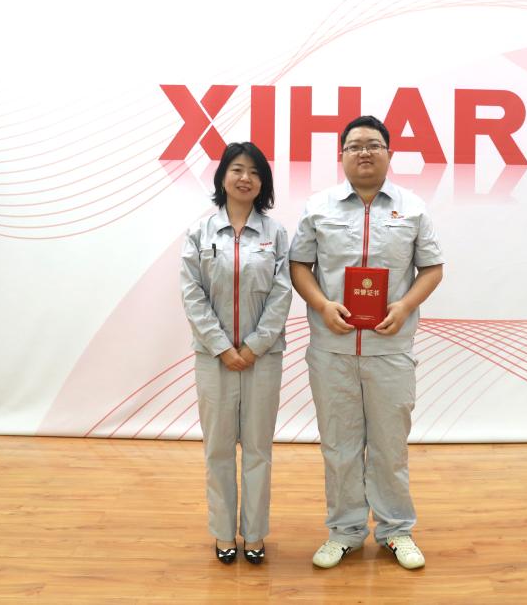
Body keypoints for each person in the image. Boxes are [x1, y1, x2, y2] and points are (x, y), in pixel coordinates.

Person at [289, 115, 445, 570]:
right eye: (354, 145)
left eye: (373, 145)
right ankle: (345, 531)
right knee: (338, 446)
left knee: (389, 447)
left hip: (390, 350)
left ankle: (396, 530)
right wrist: (322, 305)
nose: (364, 152)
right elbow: (299, 265)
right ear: (341, 155)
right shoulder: (318, 207)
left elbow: (432, 268)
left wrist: (405, 306)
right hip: (331, 350)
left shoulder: (413, 208)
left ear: (389, 153)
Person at [180, 141, 291, 565]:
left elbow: (282, 293)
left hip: (264, 358)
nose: (246, 178)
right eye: (237, 170)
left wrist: (256, 344)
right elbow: (192, 294)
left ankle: (256, 534)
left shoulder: (276, 234)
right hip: (214, 359)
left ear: (263, 182)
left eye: (255, 172)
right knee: (219, 449)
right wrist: (223, 347)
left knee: (259, 448)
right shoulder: (200, 233)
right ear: (223, 176)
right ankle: (224, 533)